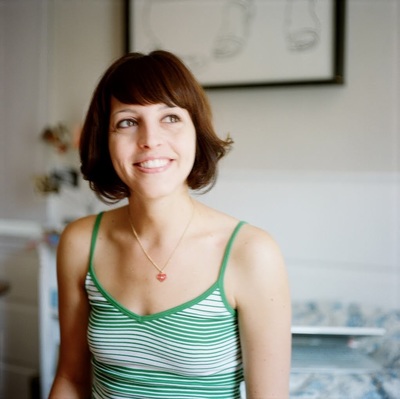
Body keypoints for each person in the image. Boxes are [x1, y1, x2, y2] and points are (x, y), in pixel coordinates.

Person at [49, 50, 291, 399]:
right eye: (128, 122)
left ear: (196, 131)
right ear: (106, 138)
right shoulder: (80, 242)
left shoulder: (251, 252)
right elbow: (71, 379)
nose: (149, 139)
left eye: (170, 118)